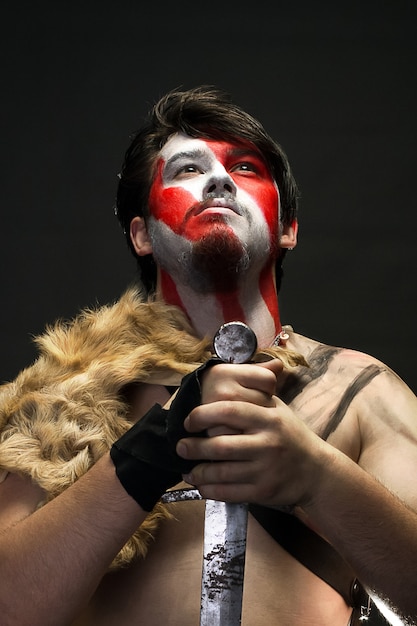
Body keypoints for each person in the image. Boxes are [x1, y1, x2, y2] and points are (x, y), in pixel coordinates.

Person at [0, 86, 416, 626]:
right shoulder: (64, 398)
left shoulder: (357, 390)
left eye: (244, 168)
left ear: (287, 228)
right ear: (143, 234)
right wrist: (149, 451)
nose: (218, 179)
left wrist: (316, 477)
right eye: (187, 170)